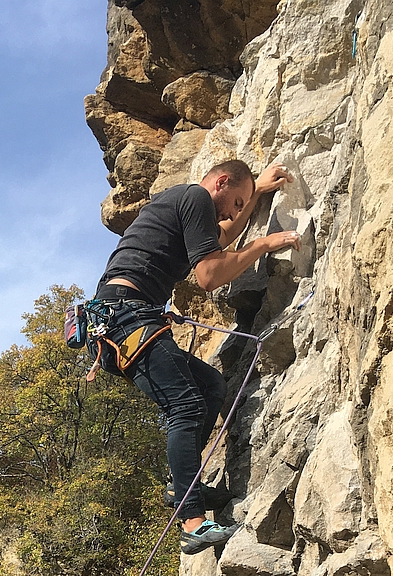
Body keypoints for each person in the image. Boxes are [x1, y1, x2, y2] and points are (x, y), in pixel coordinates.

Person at [92, 159, 301, 555]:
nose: (234, 213)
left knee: (210, 385)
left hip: (120, 319)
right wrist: (262, 244)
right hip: (126, 316)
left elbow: (218, 242)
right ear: (220, 182)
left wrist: (254, 193)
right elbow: (208, 276)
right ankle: (192, 522)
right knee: (185, 405)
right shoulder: (194, 196)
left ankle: (181, 485)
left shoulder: (185, 205)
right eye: (235, 202)